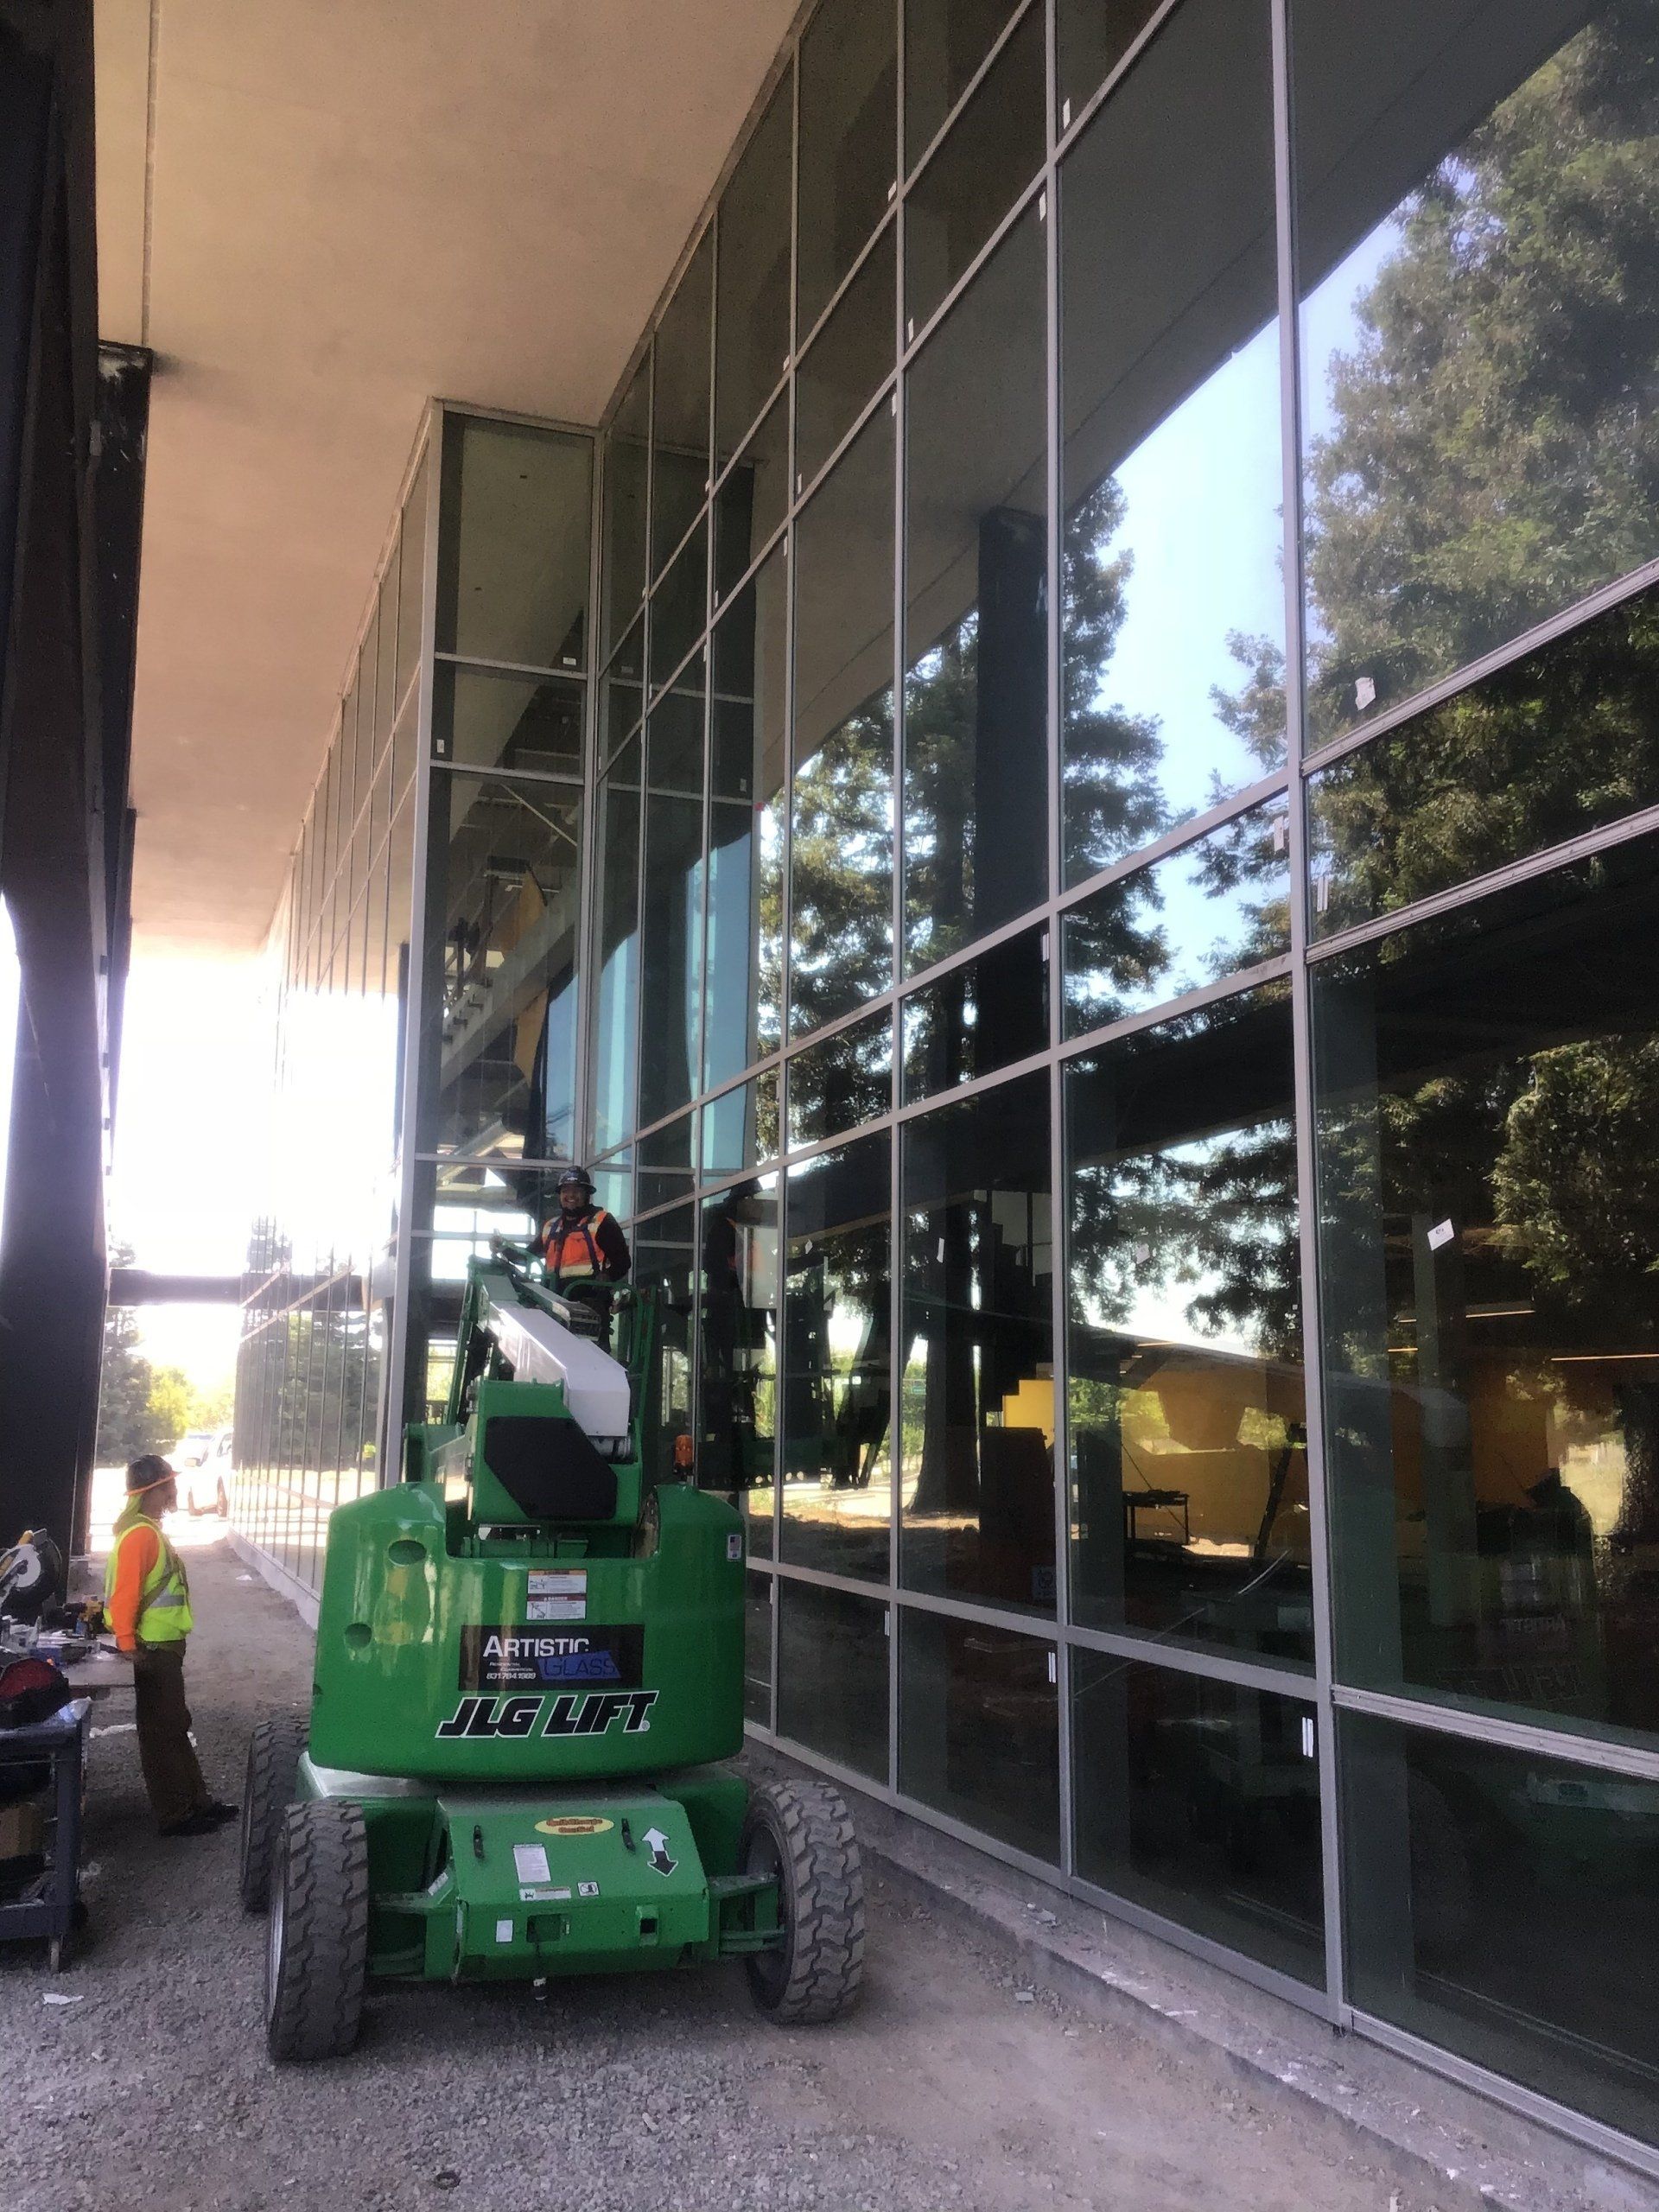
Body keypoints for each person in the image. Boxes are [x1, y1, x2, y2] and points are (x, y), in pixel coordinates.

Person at [105, 1456, 236, 1839]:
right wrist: (128, 1643)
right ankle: (177, 1815)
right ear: (152, 1492)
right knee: (163, 1732)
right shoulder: (141, 1535)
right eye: (168, 1486)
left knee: (173, 1725)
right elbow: (126, 1593)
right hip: (153, 1647)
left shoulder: (144, 1530)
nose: (174, 1491)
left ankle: (197, 1804)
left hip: (162, 1646)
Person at [532, 1166, 631, 1336]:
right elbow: (529, 1254)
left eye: (577, 1190)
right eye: (565, 1190)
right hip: (554, 1303)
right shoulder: (551, 1227)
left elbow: (622, 1261)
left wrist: (607, 1276)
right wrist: (503, 1248)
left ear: (587, 1195)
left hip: (588, 1304)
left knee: (587, 1355)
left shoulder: (601, 1222)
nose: (570, 1195)